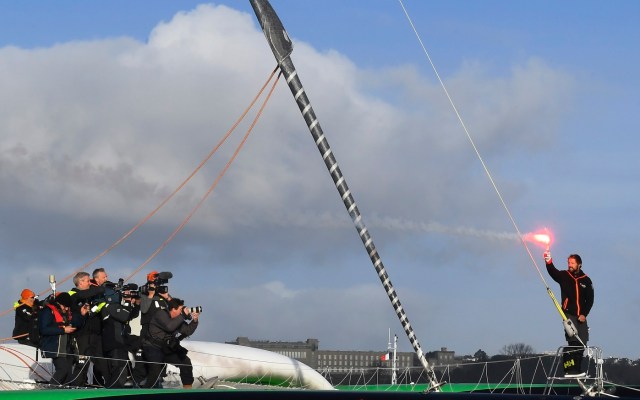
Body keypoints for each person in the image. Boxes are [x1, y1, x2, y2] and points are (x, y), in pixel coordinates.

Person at [544, 250, 594, 378]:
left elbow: (590, 299)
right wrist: (548, 261)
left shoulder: (586, 280)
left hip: (581, 316)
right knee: (573, 340)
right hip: (568, 314)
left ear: (579, 264)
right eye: (568, 262)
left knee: (582, 343)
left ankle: (577, 370)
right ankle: (570, 370)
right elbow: (552, 272)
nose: (570, 265)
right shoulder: (565, 275)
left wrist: (584, 314)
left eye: (572, 263)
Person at [141, 298, 199, 389]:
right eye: (180, 309)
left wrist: (195, 320)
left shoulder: (178, 319)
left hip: (166, 348)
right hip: (152, 347)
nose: (182, 312)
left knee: (185, 362)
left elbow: (187, 331)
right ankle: (146, 391)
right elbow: (169, 326)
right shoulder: (161, 314)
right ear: (173, 309)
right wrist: (183, 315)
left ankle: (187, 389)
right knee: (155, 370)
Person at [38, 292, 87, 386]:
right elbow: (44, 329)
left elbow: (76, 324)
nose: (67, 309)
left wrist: (82, 315)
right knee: (62, 369)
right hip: (55, 346)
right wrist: (63, 330)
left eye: (68, 307)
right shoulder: (47, 311)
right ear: (59, 303)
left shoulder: (66, 312)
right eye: (65, 306)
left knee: (68, 373)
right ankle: (50, 390)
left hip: (67, 347)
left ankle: (64, 392)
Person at [68, 272, 108, 387]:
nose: (90, 283)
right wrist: (100, 288)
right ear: (80, 282)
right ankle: (77, 385)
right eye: (87, 281)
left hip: (95, 334)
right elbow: (82, 295)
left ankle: (110, 384)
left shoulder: (90, 295)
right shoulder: (72, 294)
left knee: (101, 361)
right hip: (81, 334)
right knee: (82, 361)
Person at [101, 287, 140, 388]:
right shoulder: (111, 307)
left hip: (118, 343)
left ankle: (112, 390)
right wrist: (127, 302)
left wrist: (136, 305)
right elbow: (125, 316)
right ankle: (115, 390)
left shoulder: (114, 307)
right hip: (115, 343)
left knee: (118, 370)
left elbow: (130, 315)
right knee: (119, 369)